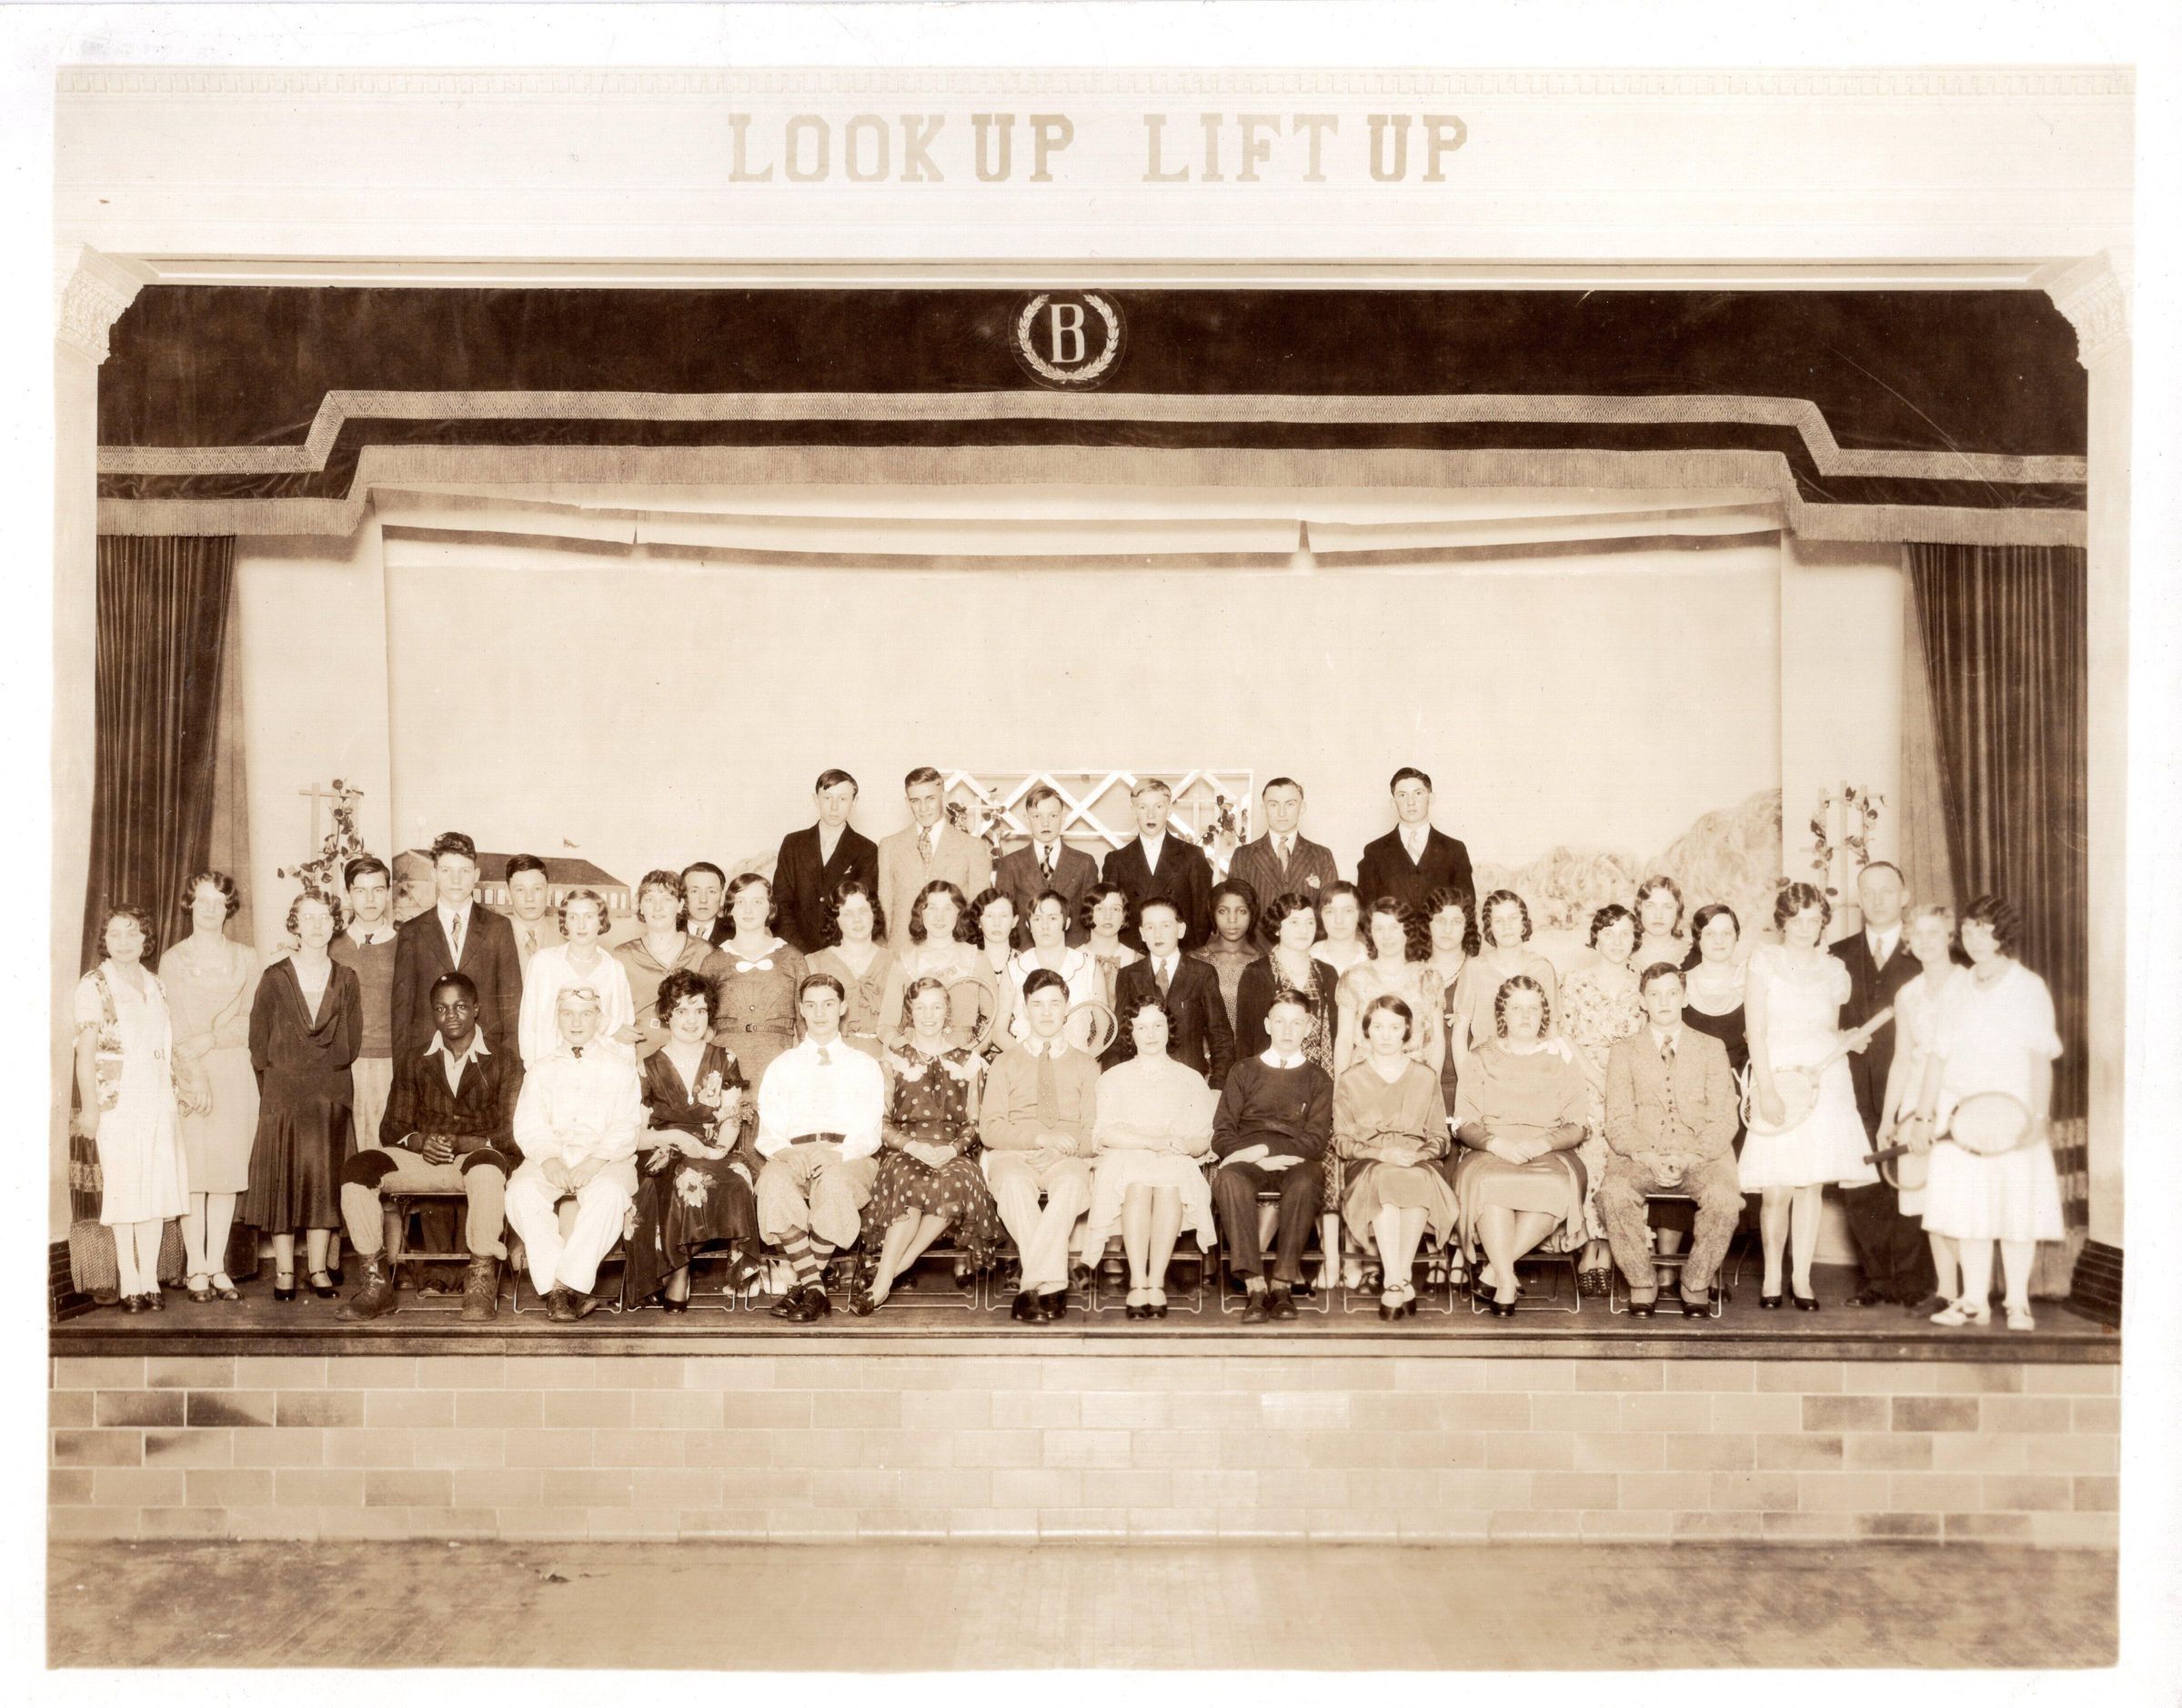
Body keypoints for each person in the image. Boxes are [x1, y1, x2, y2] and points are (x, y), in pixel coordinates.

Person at [1901, 896, 2066, 1332]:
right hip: (1961, 1117)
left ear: (2003, 934)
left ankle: (2017, 1303)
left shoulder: (2028, 986)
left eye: (1986, 929)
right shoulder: (1957, 987)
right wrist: (1923, 1117)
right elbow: (1936, 1058)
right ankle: (1973, 1301)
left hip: (2014, 1115)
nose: (1975, 938)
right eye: (1970, 929)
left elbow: (2040, 1057)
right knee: (1966, 1210)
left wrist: (2038, 1117)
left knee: (2016, 1210)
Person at [337, 971, 522, 1323]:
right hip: (424, 1160)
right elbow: (392, 1126)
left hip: (476, 1158)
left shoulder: (505, 1060)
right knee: (358, 1169)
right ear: (432, 1012)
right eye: (441, 1008)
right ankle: (376, 1286)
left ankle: (480, 1283)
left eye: (460, 1006)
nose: (451, 1015)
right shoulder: (415, 1058)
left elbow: (514, 1133)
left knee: (486, 1169)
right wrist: (420, 1142)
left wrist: (465, 1142)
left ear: (476, 1008)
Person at [1739, 881, 1878, 1310]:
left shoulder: (1834, 970)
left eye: (1814, 920)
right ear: (1783, 921)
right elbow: (1755, 1033)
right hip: (1778, 1080)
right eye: (1797, 920)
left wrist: (1849, 1039)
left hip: (1825, 1082)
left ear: (1823, 923)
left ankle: (1801, 1278)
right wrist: (1766, 1090)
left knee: (1810, 1185)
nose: (1805, 928)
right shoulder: (1764, 962)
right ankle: (1772, 1277)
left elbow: (1828, 1030)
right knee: (1777, 1189)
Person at [1598, 964, 1744, 1318]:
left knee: (1725, 1199)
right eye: (1655, 994)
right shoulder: (1624, 1050)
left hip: (1700, 1156)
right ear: (1642, 1000)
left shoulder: (1711, 1047)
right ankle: (1641, 1281)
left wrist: (1692, 1156)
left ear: (1685, 997)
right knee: (1613, 1193)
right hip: (1641, 1155)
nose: (1664, 1002)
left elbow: (1724, 1118)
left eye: (1672, 993)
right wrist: (1647, 1156)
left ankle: (1695, 1283)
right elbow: (1617, 1120)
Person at [855, 976, 1005, 1313]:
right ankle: (884, 1282)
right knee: (908, 1179)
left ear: (947, 1011)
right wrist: (912, 1147)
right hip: (905, 1150)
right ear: (910, 1011)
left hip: (953, 1151)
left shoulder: (969, 1061)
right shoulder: (893, 1060)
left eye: (936, 1007)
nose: (929, 1015)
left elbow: (975, 1123)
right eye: (921, 1008)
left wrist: (952, 1150)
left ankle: (893, 1269)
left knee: (959, 1179)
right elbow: (880, 1122)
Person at [242, 888, 363, 1302]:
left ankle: (317, 1269)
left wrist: (323, 1073)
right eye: (307, 917)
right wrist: (280, 1082)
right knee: (283, 1182)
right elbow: (258, 1041)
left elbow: (352, 1041)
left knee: (323, 1182)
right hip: (284, 1093)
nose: (316, 925)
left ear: (335, 924)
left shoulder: (347, 978)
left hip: (329, 1094)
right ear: (295, 924)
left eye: (324, 917)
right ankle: (285, 1271)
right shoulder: (275, 977)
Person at [1450, 976, 1591, 1315]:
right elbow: (1464, 1121)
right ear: (1502, 1013)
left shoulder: (1561, 1058)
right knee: (1489, 1184)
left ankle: (1494, 1272)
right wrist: (1494, 1143)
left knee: (1558, 1186)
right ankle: (1506, 1283)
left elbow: (1578, 1124)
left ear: (1544, 1013)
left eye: (1533, 1008)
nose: (1525, 1016)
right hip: (1489, 1151)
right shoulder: (1480, 1056)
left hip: (1549, 1151)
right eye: (1516, 1008)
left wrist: (1543, 1142)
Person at [505, 984, 647, 1321]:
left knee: (610, 1195)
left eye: (585, 1014)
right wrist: (550, 1160)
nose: (576, 1022)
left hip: (606, 1160)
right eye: (567, 1014)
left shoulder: (619, 1068)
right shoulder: (541, 1069)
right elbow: (529, 1124)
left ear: (599, 1018)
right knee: (520, 1192)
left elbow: (626, 1127)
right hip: (552, 1158)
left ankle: (564, 1287)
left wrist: (594, 1163)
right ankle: (565, 1289)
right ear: (557, 1018)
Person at [621, 968, 757, 1314]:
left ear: (710, 1014)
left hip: (715, 1147)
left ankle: (672, 1267)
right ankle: (679, 1272)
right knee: (681, 1177)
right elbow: (635, 1136)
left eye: (699, 1010)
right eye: (681, 1010)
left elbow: (731, 1117)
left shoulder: (725, 1059)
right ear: (667, 1014)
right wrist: (676, 1137)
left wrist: (717, 1150)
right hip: (662, 1148)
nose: (691, 1019)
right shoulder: (647, 1067)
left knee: (737, 1177)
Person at [74, 904, 187, 1312]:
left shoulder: (155, 984)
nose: (124, 942)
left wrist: (177, 1092)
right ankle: (130, 1283)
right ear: (105, 940)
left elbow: (166, 1046)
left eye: (133, 933)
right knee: (125, 1189)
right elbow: (85, 1053)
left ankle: (150, 1280)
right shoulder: (94, 985)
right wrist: (90, 1108)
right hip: (117, 1102)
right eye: (115, 934)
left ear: (145, 940)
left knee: (155, 1188)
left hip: (157, 1099)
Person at [1831, 861, 1935, 1309]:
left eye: (1887, 890)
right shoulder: (1835, 956)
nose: (1877, 899)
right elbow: (1821, 1021)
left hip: (1912, 1090)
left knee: (1910, 1182)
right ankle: (1875, 1280)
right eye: (1868, 892)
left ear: (1905, 896)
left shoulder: (1925, 953)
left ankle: (1911, 1281)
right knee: (1861, 1188)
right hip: (1852, 1091)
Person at [752, 973, 885, 1322]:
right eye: (811, 1005)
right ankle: (816, 1289)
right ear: (801, 1010)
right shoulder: (783, 1065)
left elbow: (870, 1132)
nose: (820, 1013)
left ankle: (804, 1286)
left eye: (828, 1004)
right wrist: (788, 1154)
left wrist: (836, 1155)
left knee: (835, 1185)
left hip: (849, 1155)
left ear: (842, 1007)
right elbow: (768, 1133)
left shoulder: (864, 1064)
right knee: (772, 1182)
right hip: (794, 1154)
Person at [159, 871, 260, 1303]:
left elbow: (252, 1021)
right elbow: (174, 1025)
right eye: (203, 900)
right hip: (190, 1072)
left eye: (219, 902)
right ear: (190, 905)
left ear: (228, 908)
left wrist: (213, 1038)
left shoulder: (247, 958)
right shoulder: (174, 959)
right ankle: (195, 1267)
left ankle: (217, 1266)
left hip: (233, 1072)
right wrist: (193, 1077)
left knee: (225, 1175)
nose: (211, 909)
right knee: (195, 1175)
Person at [979, 970, 1100, 1323]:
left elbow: (1094, 1132)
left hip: (1067, 1156)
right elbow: (990, 1129)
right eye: (1037, 1004)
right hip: (1015, 1153)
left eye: (1054, 1004)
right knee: (1013, 1184)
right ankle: (1052, 1287)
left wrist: (1064, 1149)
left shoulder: (1086, 1064)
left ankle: (1031, 1289)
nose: (1046, 1012)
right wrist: (1038, 1140)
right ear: (1025, 1009)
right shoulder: (1005, 1062)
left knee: (1072, 1185)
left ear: (1067, 1008)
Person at [1085, 999, 1218, 1318]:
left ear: (1169, 1029)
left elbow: (1203, 1138)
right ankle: (1137, 1280)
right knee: (1138, 1184)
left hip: (1173, 1158)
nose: (1151, 1034)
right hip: (1127, 1155)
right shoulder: (1114, 1077)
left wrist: (1186, 1146)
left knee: (1170, 1183)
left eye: (1158, 1025)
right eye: (1141, 1027)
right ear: (1130, 1033)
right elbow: (1105, 1133)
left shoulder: (1190, 1078)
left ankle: (1156, 1282)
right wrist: (1152, 1142)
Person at [1212, 989, 1332, 1322]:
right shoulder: (1243, 1071)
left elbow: (1315, 1141)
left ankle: (1282, 1285)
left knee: (1306, 1182)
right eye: (1280, 1022)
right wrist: (1255, 1159)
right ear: (1267, 1025)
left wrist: (1266, 1150)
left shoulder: (1318, 1079)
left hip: (1296, 1162)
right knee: (1229, 1178)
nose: (1287, 1030)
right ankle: (1254, 1287)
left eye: (1296, 1023)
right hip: (1248, 1162)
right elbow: (1222, 1134)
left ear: (1309, 1027)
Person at [1334, 995, 1455, 1320]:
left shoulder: (1425, 1076)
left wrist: (1418, 1155)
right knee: (1387, 1175)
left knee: (1416, 1177)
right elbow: (1342, 1141)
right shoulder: (1350, 1078)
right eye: (1378, 1027)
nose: (1386, 1035)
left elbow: (1440, 1138)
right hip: (1369, 1163)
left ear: (1407, 1031)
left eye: (1394, 1027)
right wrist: (1382, 1153)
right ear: (1366, 1031)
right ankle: (1397, 1278)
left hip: (1415, 1161)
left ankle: (1396, 1280)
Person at [1876, 904, 1966, 1316]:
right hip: (1915, 1105)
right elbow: (1902, 1059)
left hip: (1957, 1100)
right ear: (1908, 940)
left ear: (1949, 936)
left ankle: (1973, 1293)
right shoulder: (1908, 993)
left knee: (1956, 1201)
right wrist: (1889, 1119)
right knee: (1928, 1202)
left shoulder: (1967, 985)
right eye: (1918, 933)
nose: (1926, 941)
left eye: (1935, 932)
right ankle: (1947, 1292)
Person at [1561, 902, 1644, 1291]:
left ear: (1635, 939)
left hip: (1630, 1084)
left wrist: (1621, 1086)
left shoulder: (1642, 983)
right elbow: (1565, 1035)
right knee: (1586, 1156)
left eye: (1625, 933)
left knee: (1617, 1161)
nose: (1616, 941)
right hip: (1582, 1080)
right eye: (1609, 933)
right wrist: (1596, 1078)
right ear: (1596, 938)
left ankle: (1607, 1249)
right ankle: (1586, 1246)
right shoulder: (1575, 981)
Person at [391, 830, 522, 1059]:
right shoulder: (412, 932)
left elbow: (512, 1008)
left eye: (464, 871)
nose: (455, 880)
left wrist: (509, 1069)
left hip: (486, 1058)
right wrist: (403, 1073)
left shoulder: (499, 928)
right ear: (434, 874)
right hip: (428, 1059)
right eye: (446, 871)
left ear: (476, 874)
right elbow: (402, 1013)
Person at [1104, 897, 1236, 1088]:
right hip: (1142, 1084)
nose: (1157, 934)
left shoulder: (1202, 973)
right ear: (1142, 933)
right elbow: (1119, 1038)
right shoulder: (1127, 975)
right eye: (1150, 927)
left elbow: (1221, 1037)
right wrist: (1113, 1084)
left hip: (1189, 1083)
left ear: (1180, 929)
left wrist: (1217, 1087)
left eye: (1165, 925)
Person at [613, 869, 730, 1058]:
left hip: (691, 1054)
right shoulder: (622, 955)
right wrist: (613, 1030)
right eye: (650, 899)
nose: (658, 908)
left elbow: (719, 1011)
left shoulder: (703, 951)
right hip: (637, 1055)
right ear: (640, 906)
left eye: (667, 899)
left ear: (680, 905)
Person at [877, 766, 995, 950]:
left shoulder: (973, 847)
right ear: (907, 802)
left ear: (944, 798)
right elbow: (884, 908)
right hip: (902, 953)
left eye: (930, 798)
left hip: (953, 953)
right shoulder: (889, 846)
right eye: (915, 801)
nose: (923, 808)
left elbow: (978, 910)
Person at [518, 888, 638, 1068]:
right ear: (565, 923)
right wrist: (533, 1072)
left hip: (599, 1071)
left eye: (589, 916)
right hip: (551, 1069)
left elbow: (624, 1034)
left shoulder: (613, 969)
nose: (581, 925)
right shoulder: (543, 963)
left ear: (601, 922)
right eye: (573, 917)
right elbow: (528, 1027)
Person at [878, 879, 1000, 1054]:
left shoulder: (978, 959)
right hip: (915, 1056)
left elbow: (993, 1023)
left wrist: (970, 1055)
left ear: (959, 913)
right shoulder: (903, 962)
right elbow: (885, 1025)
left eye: (948, 908)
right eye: (932, 908)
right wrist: (909, 1053)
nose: (939, 917)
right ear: (920, 912)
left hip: (965, 1053)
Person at [713, 872, 809, 1094]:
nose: (748, 910)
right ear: (730, 908)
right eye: (741, 902)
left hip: (779, 1062)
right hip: (727, 1065)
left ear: (770, 908)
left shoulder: (792, 958)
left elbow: (805, 1024)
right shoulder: (714, 961)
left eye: (757, 902)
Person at [1332, 897, 1445, 1080]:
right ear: (1370, 932)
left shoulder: (1428, 978)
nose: (1387, 936)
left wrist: (1432, 1085)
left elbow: (1437, 1040)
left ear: (1407, 930)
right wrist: (1340, 1086)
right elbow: (1344, 1040)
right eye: (1379, 928)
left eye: (1394, 927)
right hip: (1365, 1079)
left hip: (1414, 1078)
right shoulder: (1354, 977)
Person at [331, 854, 399, 1159]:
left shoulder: (405, 944)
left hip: (391, 1062)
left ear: (388, 892)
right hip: (346, 1064)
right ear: (349, 894)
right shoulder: (332, 946)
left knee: (388, 1151)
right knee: (349, 1149)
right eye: (360, 890)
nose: (370, 900)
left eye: (377, 890)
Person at [1099, 778, 1213, 951]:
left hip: (1180, 953)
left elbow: (1202, 918)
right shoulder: (1116, 860)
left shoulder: (1192, 856)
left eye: (1158, 806)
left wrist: (1189, 956)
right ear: (1133, 810)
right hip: (1133, 954)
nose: (1150, 815)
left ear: (1169, 810)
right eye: (1142, 807)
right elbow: (1110, 915)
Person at [772, 769, 879, 955]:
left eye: (843, 799)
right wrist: (801, 953)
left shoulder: (866, 849)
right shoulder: (793, 843)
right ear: (816, 800)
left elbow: (861, 910)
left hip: (844, 952)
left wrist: (834, 956)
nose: (834, 807)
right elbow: (781, 904)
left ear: (854, 802)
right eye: (827, 798)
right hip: (796, 951)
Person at [1233, 891, 1341, 1074]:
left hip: (1320, 1077)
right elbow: (1245, 1040)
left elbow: (1336, 1035)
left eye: (1310, 922)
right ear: (1277, 928)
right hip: (1271, 1077)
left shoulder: (1327, 973)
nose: (1304, 930)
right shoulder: (1256, 973)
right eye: (1294, 922)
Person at [1225, 777, 1340, 947]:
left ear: (1302, 808)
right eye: (1273, 804)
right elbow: (1237, 913)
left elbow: (1330, 912)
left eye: (1290, 804)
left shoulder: (1322, 856)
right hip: (1257, 954)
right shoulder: (1243, 856)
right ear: (1263, 808)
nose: (1282, 813)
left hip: (1307, 953)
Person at [1355, 767, 1474, 922]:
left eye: (1418, 793)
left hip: (1442, 937)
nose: (1410, 802)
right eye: (1402, 795)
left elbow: (1466, 909)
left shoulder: (1454, 850)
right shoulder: (1374, 852)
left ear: (1431, 798)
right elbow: (1366, 913)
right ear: (1393, 803)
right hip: (1392, 937)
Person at [1458, 889, 1560, 1060]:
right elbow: (1460, 1031)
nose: (1507, 926)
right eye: (1498, 920)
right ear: (1489, 927)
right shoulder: (1474, 968)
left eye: (1513, 918)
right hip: (1485, 1065)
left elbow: (1552, 1030)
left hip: (1533, 1065)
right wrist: (1466, 1074)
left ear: (1524, 923)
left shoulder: (1542, 968)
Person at [806, 878, 897, 1063]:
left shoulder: (895, 962)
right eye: (847, 913)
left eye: (863, 911)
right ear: (835, 919)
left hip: (885, 1059)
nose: (857, 919)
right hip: (832, 1059)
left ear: (874, 913)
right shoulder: (815, 963)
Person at [994, 785, 1098, 943]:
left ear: (1063, 817)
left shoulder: (1084, 863)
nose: (1045, 823)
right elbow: (1004, 916)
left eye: (1053, 816)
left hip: (1073, 952)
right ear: (1026, 818)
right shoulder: (1010, 864)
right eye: (1037, 816)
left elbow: (1091, 918)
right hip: (1025, 951)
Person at [1004, 890, 1101, 1042]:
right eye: (1037, 919)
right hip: (1026, 1056)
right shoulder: (1013, 968)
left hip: (1077, 1056)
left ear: (1066, 923)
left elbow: (1104, 1030)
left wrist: (1083, 1057)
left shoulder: (1090, 967)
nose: (1045, 926)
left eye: (1053, 918)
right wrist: (1023, 1056)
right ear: (1028, 925)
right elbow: (999, 1032)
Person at [1423, 887, 1478, 1124]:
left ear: (1467, 926)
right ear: (1428, 924)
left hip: (1473, 1088)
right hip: (1422, 1088)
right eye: (1440, 920)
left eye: (1456, 921)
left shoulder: (1480, 970)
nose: (1447, 929)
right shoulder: (1412, 973)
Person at [1194, 879, 1263, 1033]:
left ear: (1252, 914)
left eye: (1241, 911)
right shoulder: (1195, 960)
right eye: (1223, 911)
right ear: (1212, 914)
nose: (1232, 920)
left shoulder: (1263, 963)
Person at [969, 886, 1021, 1047]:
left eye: (1004, 916)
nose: (997, 923)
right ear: (978, 921)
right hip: (973, 1049)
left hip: (1017, 1050)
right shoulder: (968, 962)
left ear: (1015, 921)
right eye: (989, 915)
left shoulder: (1025, 963)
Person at [1080, 882, 1143, 1010]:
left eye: (1116, 909)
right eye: (1100, 909)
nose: (1108, 916)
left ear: (1124, 916)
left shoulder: (1138, 960)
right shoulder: (1074, 958)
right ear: (1088, 913)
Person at [502, 853, 564, 970]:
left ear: (549, 892)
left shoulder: (566, 939)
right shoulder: (492, 938)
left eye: (537, 889)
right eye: (520, 889)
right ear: (508, 893)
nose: (529, 898)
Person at [1632, 875, 1691, 973]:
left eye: (1667, 907)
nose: (1658, 915)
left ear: (1677, 910)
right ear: (1640, 909)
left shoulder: (1694, 955)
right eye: (1650, 906)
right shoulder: (1624, 952)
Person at [1311, 882, 1368, 977]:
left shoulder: (1370, 958)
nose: (1339, 920)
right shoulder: (1310, 957)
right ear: (1320, 915)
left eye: (1348, 911)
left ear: (1360, 914)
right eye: (1330, 911)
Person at [679, 861, 730, 947]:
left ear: (722, 896)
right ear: (683, 896)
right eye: (694, 891)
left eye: (712, 891)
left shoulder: (735, 935)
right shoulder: (668, 932)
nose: (703, 900)